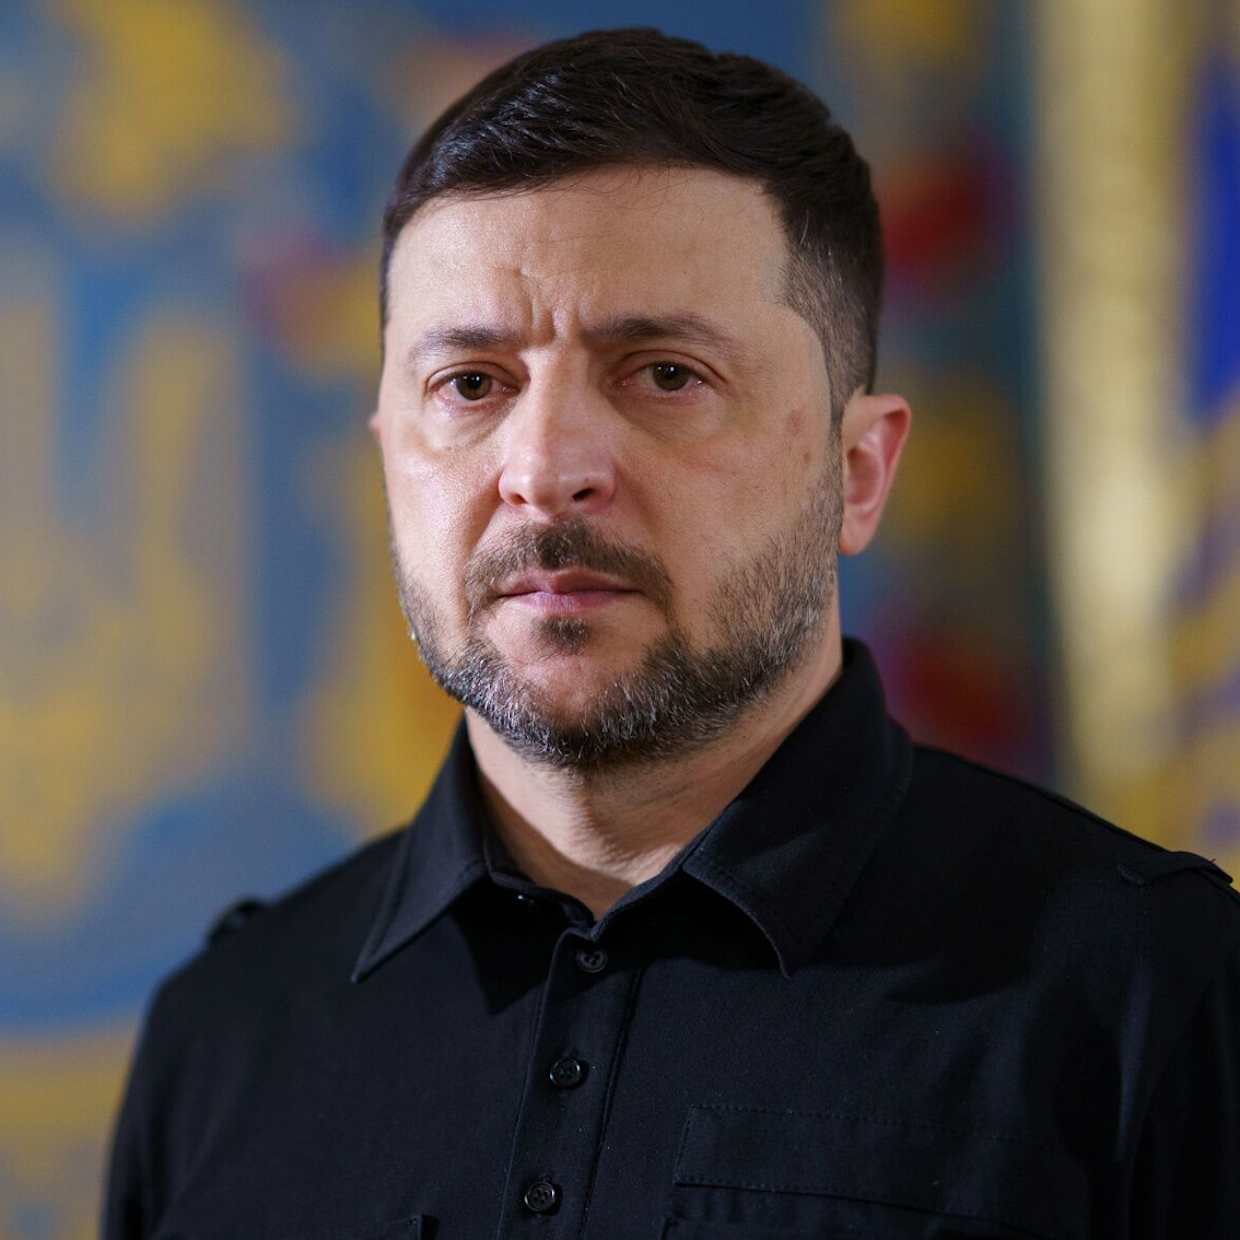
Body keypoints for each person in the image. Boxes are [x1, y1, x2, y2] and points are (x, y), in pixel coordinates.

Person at [103, 27, 1239, 1240]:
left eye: (663, 374)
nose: (545, 470)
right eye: (471, 384)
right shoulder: (221, 1037)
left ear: (858, 472)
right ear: (389, 459)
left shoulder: (1149, 992)